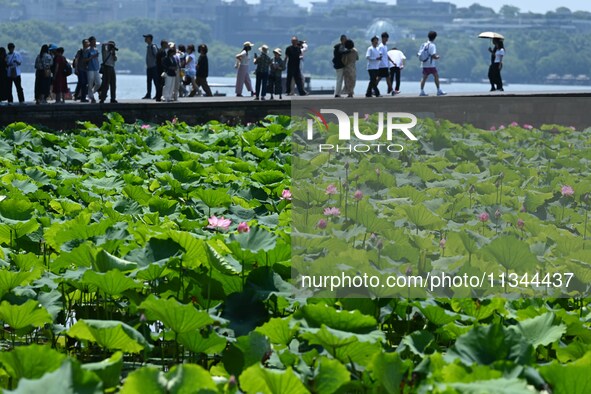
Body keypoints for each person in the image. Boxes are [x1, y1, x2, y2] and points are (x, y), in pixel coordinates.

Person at [419, 31, 446, 96]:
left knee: (424, 78)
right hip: (431, 64)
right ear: (434, 37)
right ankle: (438, 90)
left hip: (424, 64)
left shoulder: (424, 44)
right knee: (436, 76)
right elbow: (433, 55)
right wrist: (437, 57)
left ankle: (422, 91)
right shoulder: (432, 45)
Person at [84, 36, 101, 103]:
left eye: (95, 41)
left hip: (96, 68)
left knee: (98, 83)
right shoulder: (87, 50)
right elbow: (85, 60)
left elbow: (96, 58)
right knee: (90, 83)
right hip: (90, 69)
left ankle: (90, 94)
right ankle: (91, 97)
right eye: (93, 41)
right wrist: (91, 57)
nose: (94, 43)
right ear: (90, 42)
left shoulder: (96, 49)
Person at [143, 34, 159, 99]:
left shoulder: (153, 46)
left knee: (155, 81)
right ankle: (148, 94)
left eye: (146, 38)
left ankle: (158, 94)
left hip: (154, 67)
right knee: (149, 81)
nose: (145, 39)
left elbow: (156, 56)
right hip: (149, 67)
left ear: (149, 38)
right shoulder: (148, 46)